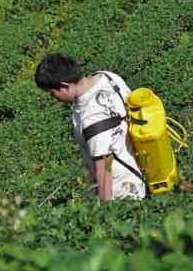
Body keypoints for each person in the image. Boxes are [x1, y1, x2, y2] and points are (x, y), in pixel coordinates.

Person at [35, 53, 146, 201]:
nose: (53, 98)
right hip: (140, 170)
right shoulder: (107, 77)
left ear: (64, 86)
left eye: (52, 93)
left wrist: (103, 213)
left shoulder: (92, 116)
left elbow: (104, 168)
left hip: (123, 193)